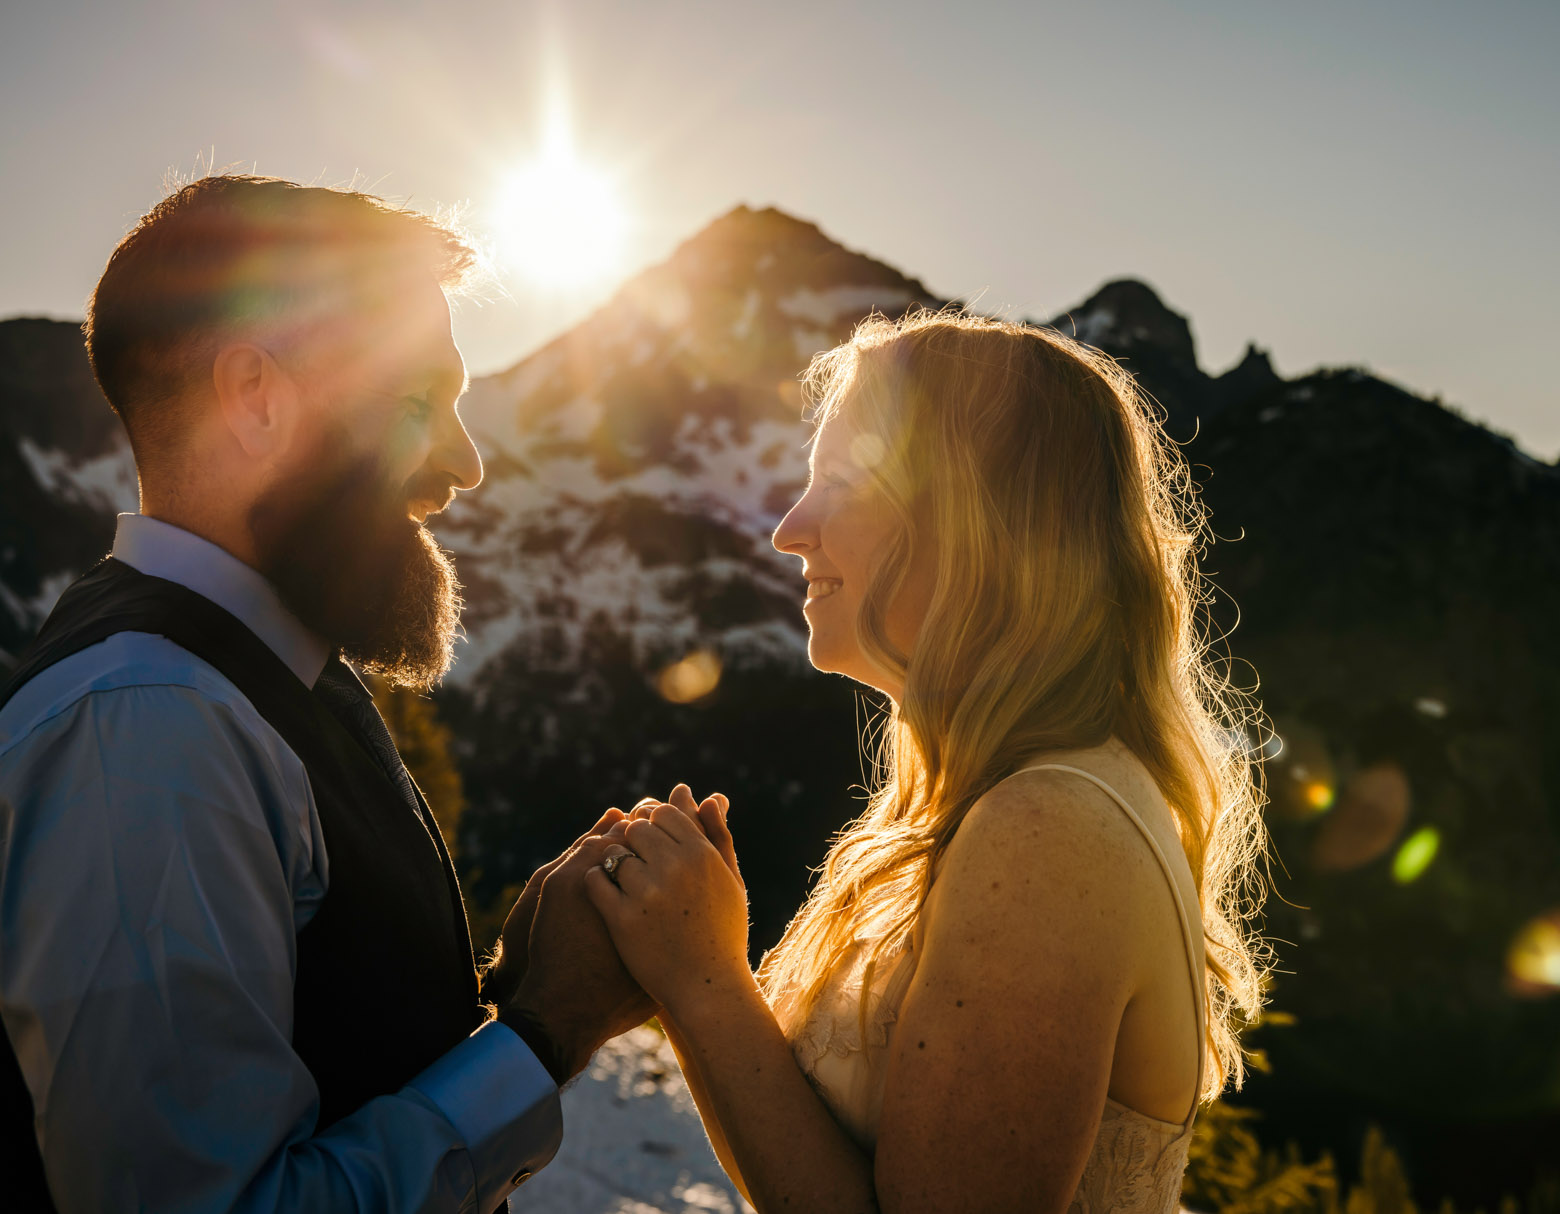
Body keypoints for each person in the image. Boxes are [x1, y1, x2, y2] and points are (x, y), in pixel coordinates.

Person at [0, 175, 650, 1213]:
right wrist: (543, 1035)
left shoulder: (252, 678)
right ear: (255, 395)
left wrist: (501, 990)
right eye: (415, 402)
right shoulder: (149, 723)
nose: (465, 463)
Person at [565, 311, 1273, 1212]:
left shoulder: (1049, 830)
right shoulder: (998, 800)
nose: (789, 528)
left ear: (981, 517)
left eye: (841, 481)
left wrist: (703, 983)